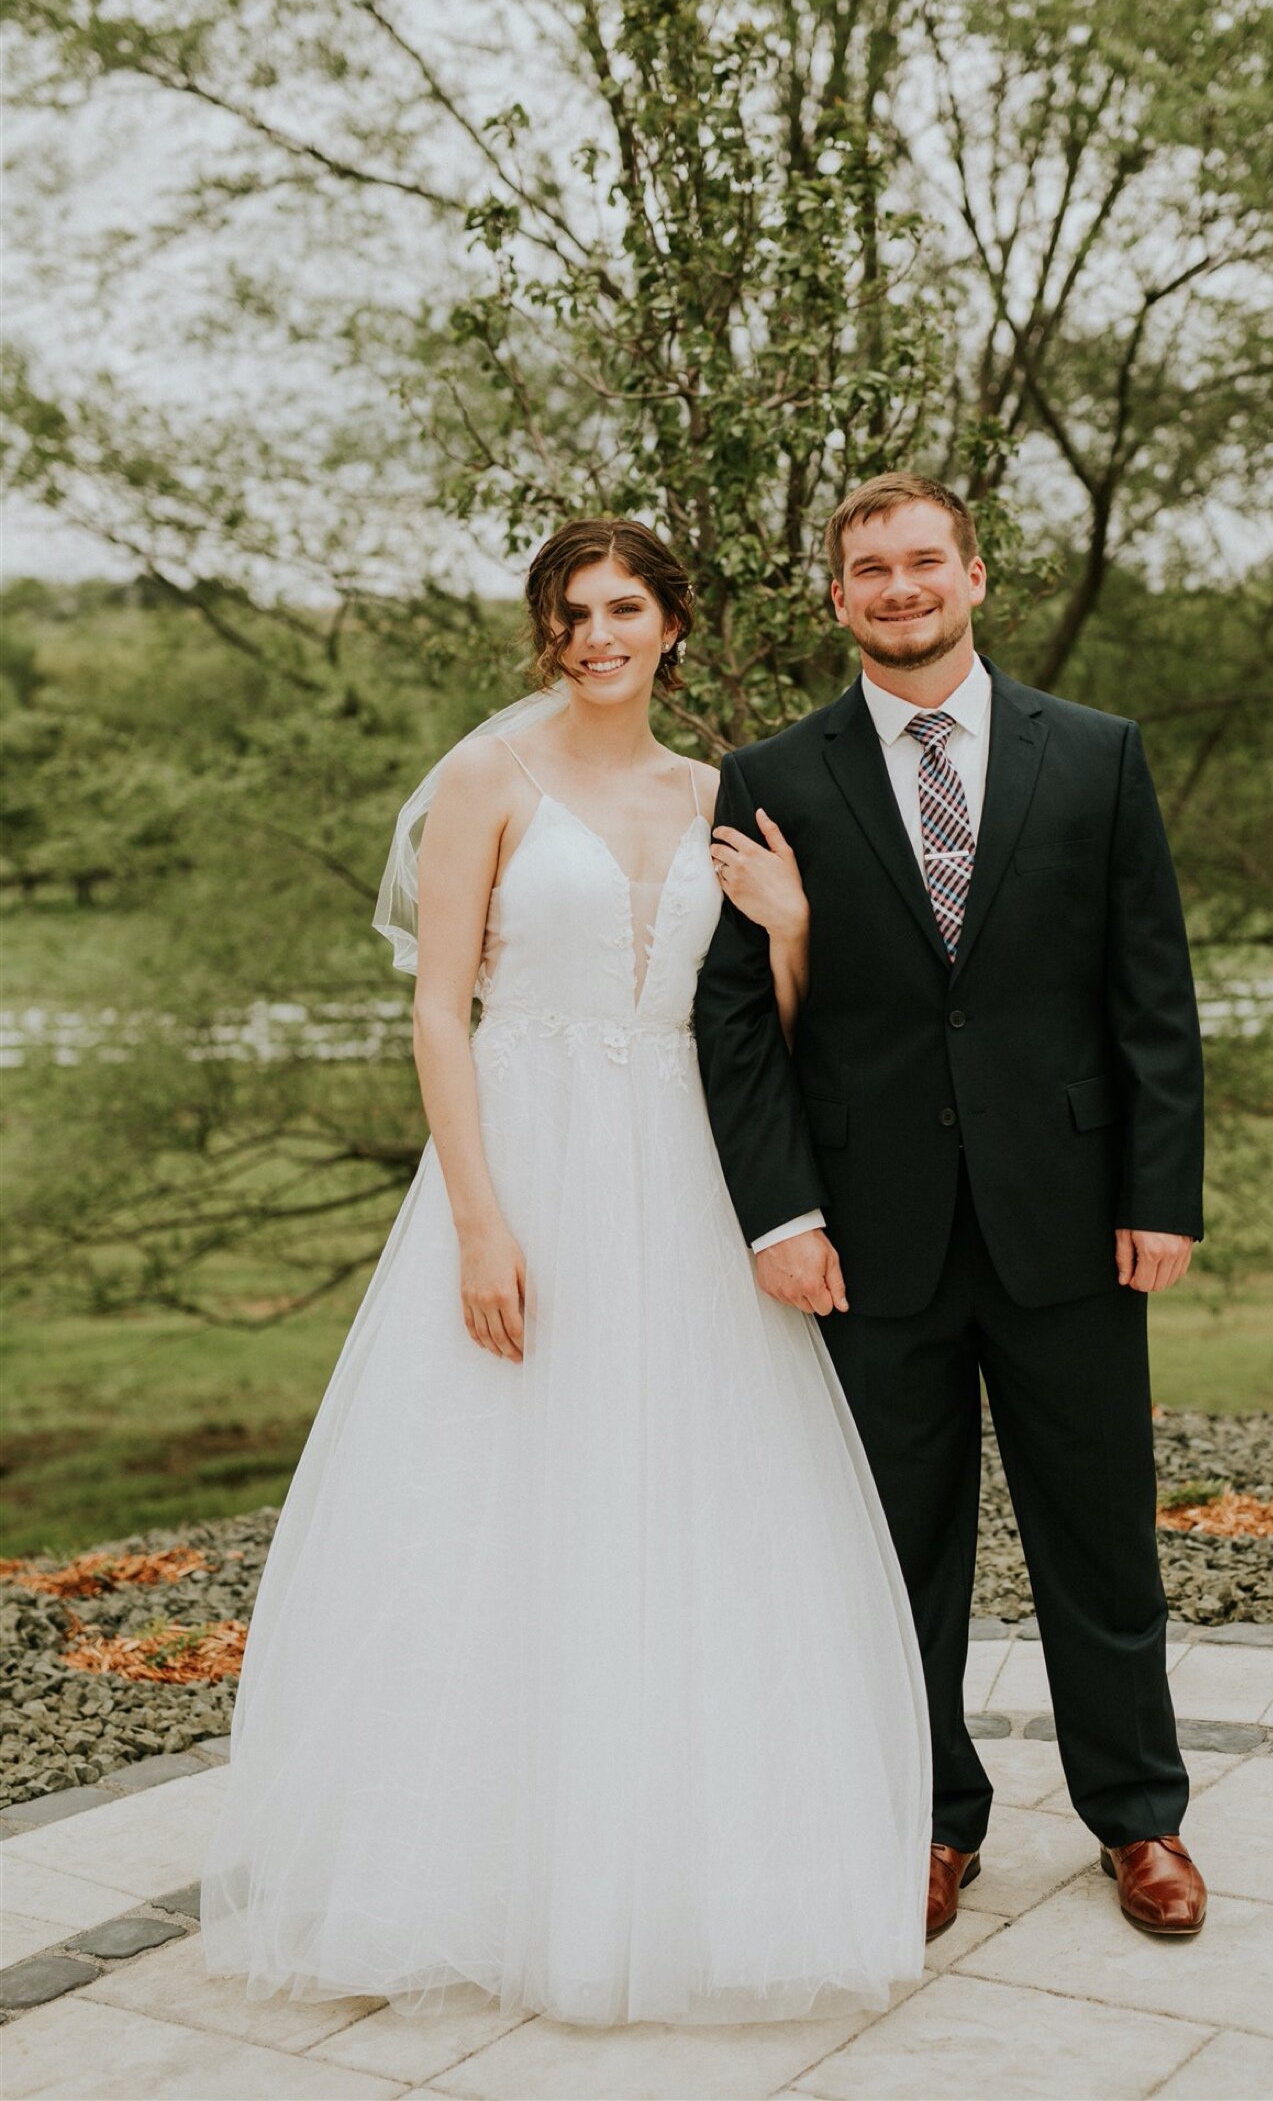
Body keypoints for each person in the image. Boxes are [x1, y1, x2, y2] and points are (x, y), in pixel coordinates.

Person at [198, 517, 929, 2024]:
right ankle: (461, 1866)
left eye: (621, 608)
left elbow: (755, 1033)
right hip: (527, 1157)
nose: (593, 635)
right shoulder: (491, 782)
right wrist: (479, 1219)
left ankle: (661, 1863)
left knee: (683, 1500)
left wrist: (791, 932)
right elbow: (436, 1015)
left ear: (673, 623)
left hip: (681, 1175)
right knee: (494, 1500)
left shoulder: (726, 795)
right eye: (568, 612)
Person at [696, 471, 1209, 1943]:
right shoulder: (769, 776)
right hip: (871, 1241)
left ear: (977, 578)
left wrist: (1158, 1192)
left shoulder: (1098, 756)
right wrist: (780, 1213)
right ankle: (927, 1820)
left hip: (1073, 1220)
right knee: (893, 1549)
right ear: (837, 597)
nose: (900, 587)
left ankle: (1142, 1819)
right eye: (871, 569)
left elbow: (1151, 1001)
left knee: (1099, 1538)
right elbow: (737, 1018)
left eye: (926, 562)